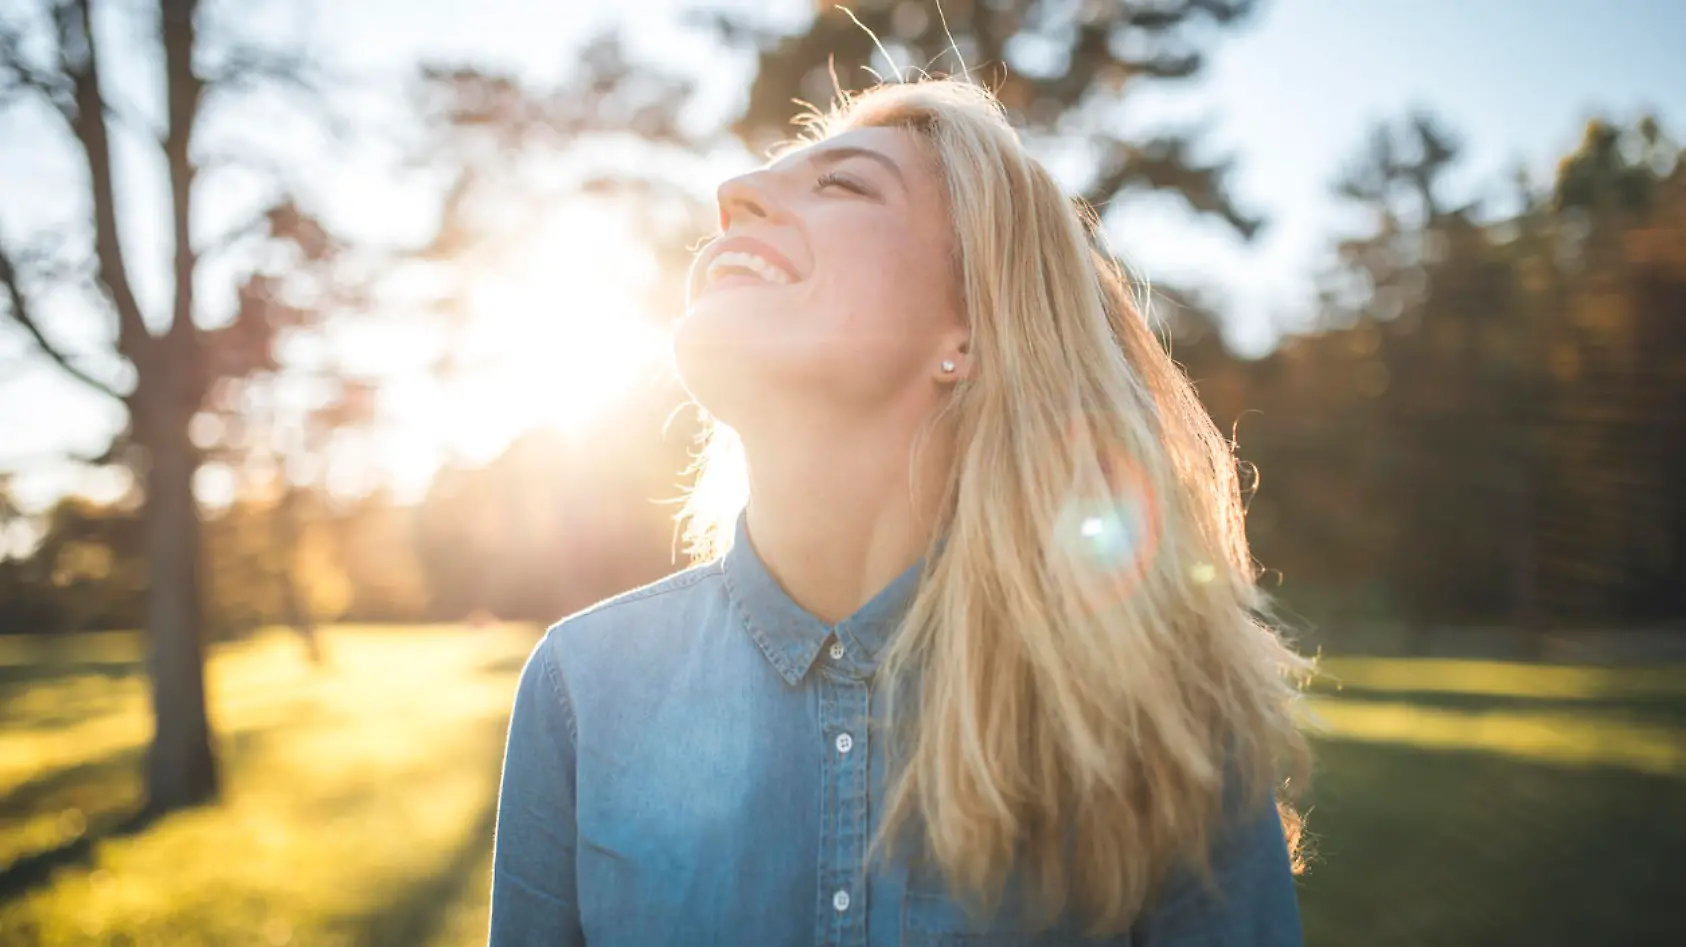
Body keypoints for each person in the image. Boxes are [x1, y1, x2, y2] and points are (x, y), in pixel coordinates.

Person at [489, 77, 1311, 946]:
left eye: (842, 183)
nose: (732, 196)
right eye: (758, 182)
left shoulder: (1156, 712)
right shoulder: (581, 685)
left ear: (970, 331)